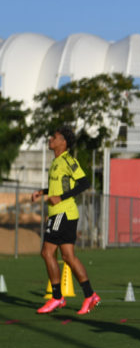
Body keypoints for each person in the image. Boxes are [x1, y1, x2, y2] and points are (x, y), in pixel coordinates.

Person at [32, 126, 100, 315]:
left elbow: (84, 183)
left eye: (54, 137)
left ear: (63, 142)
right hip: (60, 214)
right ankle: (90, 295)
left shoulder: (69, 160)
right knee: (68, 257)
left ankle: (56, 297)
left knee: (47, 252)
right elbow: (58, 188)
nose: (50, 139)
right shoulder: (56, 162)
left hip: (63, 213)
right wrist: (43, 192)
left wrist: (61, 198)